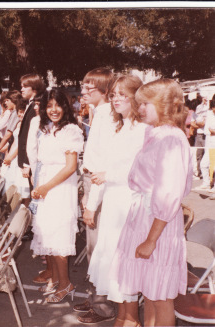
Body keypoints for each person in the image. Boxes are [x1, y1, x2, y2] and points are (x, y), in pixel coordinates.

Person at [110, 79, 192, 327]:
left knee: (160, 297)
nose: (140, 108)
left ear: (164, 105)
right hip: (143, 218)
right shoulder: (156, 134)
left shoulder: (171, 139)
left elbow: (168, 194)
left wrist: (151, 239)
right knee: (149, 290)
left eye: (146, 103)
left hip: (157, 225)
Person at [85, 75, 147, 326]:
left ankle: (130, 320)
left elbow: (143, 173)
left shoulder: (144, 129)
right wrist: (91, 204)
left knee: (125, 275)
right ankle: (123, 318)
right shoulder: (120, 128)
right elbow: (103, 167)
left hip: (129, 208)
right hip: (112, 206)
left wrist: (108, 175)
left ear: (136, 97)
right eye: (113, 95)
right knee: (115, 276)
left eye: (123, 94)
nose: (117, 99)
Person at [30, 88, 84, 304]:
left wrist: (46, 187)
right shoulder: (47, 128)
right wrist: (39, 187)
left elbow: (70, 167)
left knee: (60, 236)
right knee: (49, 234)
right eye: (49, 105)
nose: (53, 110)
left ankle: (66, 283)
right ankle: (56, 278)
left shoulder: (71, 130)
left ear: (66, 106)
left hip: (60, 189)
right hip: (46, 186)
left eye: (57, 105)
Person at [73, 67, 117, 324]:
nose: (84, 92)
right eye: (84, 86)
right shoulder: (97, 113)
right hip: (91, 181)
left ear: (104, 91)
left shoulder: (107, 117)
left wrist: (91, 204)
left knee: (99, 248)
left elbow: (104, 163)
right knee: (92, 247)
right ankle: (95, 296)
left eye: (89, 88)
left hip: (99, 184)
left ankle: (103, 305)